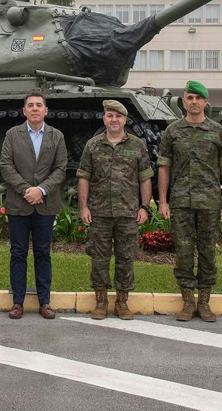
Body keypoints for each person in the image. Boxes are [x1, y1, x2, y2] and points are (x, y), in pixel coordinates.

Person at [158, 80, 222, 322]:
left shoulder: (217, 131)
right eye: (189, 98)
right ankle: (188, 302)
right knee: (182, 253)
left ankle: (204, 302)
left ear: (205, 102)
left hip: (210, 202)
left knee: (208, 253)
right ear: (183, 101)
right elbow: (164, 168)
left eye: (198, 98)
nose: (193, 102)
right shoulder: (173, 131)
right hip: (180, 201)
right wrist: (163, 201)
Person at [77, 100, 153, 321]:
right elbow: (84, 177)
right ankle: (101, 301)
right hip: (99, 212)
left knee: (125, 258)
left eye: (118, 116)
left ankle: (122, 301)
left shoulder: (137, 146)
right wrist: (84, 207)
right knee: (99, 258)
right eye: (110, 116)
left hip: (128, 212)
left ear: (125, 120)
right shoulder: (93, 145)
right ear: (104, 119)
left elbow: (145, 178)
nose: (114, 120)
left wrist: (145, 207)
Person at [0, 91, 67, 320]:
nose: (35, 108)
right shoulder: (12, 134)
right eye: (31, 105)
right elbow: (6, 165)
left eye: (39, 105)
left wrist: (42, 190)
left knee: (43, 253)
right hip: (19, 204)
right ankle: (17, 302)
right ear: (24, 111)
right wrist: (26, 190)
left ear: (46, 110)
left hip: (45, 205)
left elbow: (60, 168)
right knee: (17, 253)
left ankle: (44, 302)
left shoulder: (57, 136)